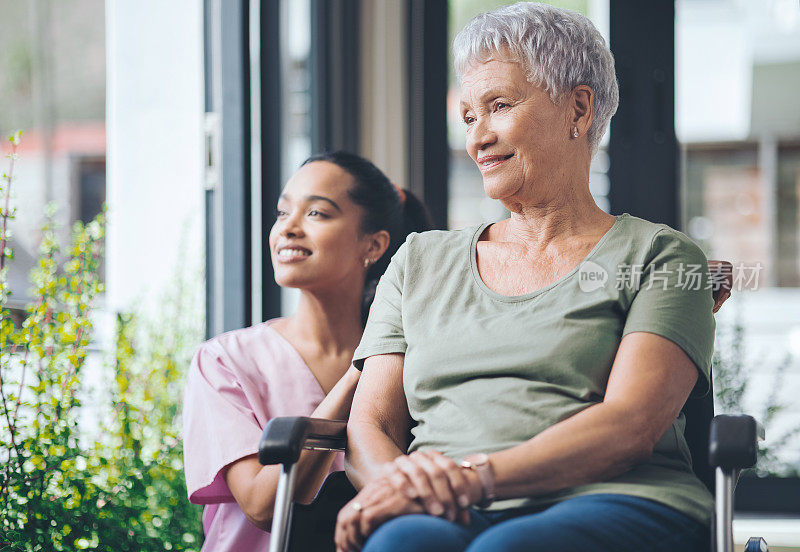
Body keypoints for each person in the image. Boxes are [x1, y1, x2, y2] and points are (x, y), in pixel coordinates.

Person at [335, 3, 718, 551]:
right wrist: (399, 488)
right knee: (403, 545)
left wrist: (471, 479)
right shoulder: (418, 260)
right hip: (442, 506)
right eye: (468, 117)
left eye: (498, 106)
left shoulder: (663, 256)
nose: (478, 138)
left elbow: (630, 426)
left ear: (579, 110)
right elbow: (370, 424)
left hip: (615, 497)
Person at [182, 151, 431, 552]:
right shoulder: (225, 362)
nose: (289, 228)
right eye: (282, 213)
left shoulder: (415, 362)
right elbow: (264, 507)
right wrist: (363, 366)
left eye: (316, 213)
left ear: (374, 244)